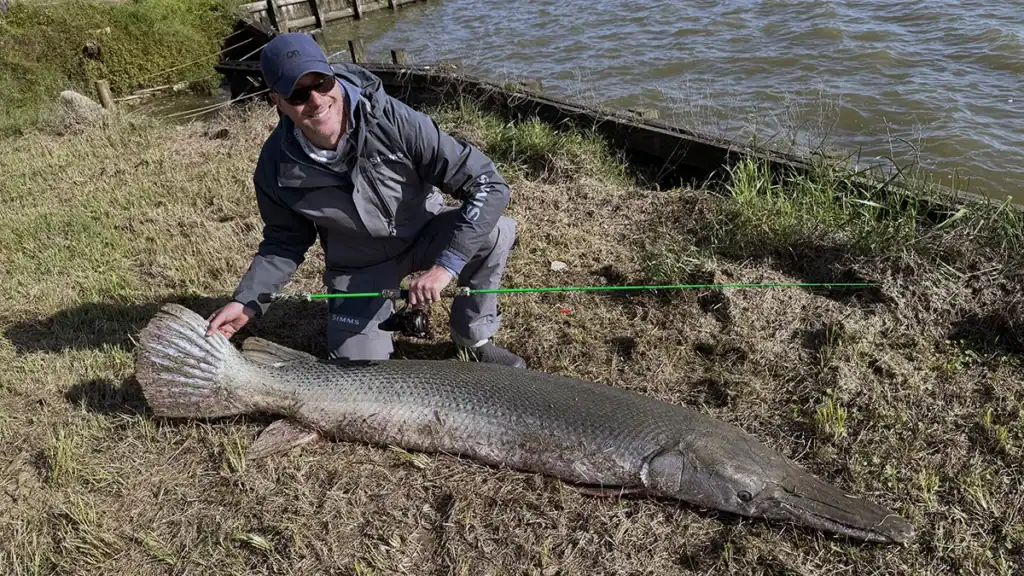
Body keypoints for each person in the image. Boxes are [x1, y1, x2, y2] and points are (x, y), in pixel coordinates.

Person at [206, 32, 525, 368]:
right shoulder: (275, 165)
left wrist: (446, 266)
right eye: (298, 93)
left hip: (423, 230)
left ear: (332, 75)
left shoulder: (394, 120)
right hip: (359, 266)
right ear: (277, 101)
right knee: (357, 370)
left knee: (495, 232)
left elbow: (488, 183)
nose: (316, 100)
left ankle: (473, 338)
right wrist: (247, 302)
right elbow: (284, 242)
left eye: (323, 82)